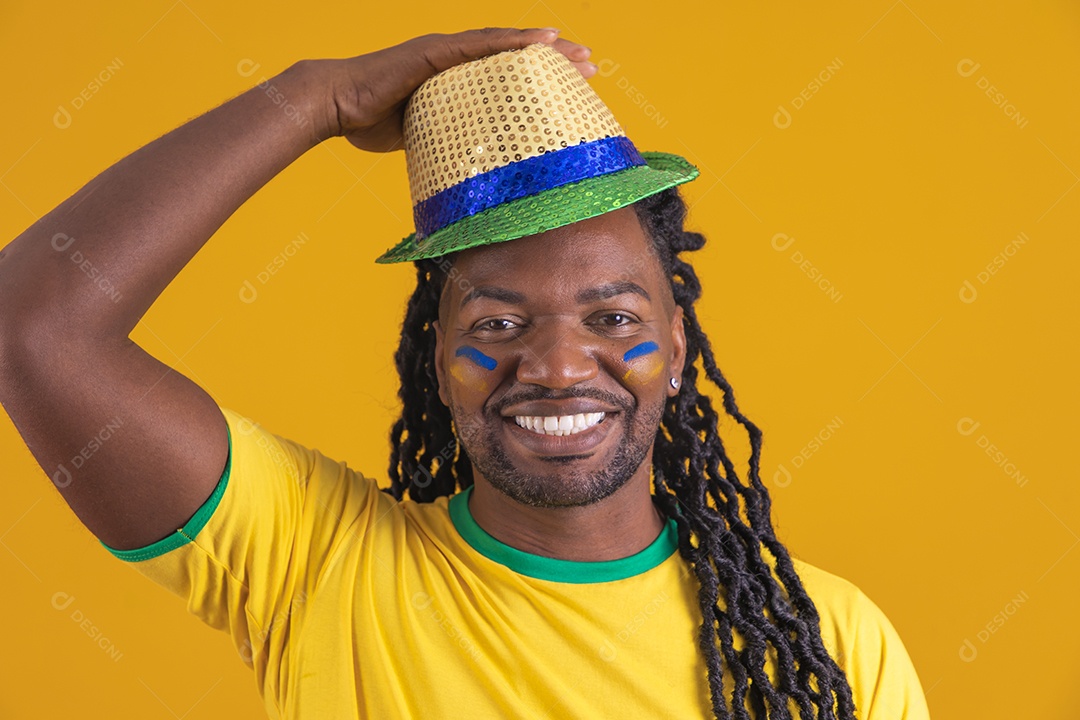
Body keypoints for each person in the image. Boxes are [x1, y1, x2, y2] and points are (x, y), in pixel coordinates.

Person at [0, 27, 930, 719]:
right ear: (440, 362)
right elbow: (34, 329)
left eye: (612, 317)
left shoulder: (828, 642)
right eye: (498, 322)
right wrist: (315, 97)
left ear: (677, 348)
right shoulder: (313, 563)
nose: (560, 365)